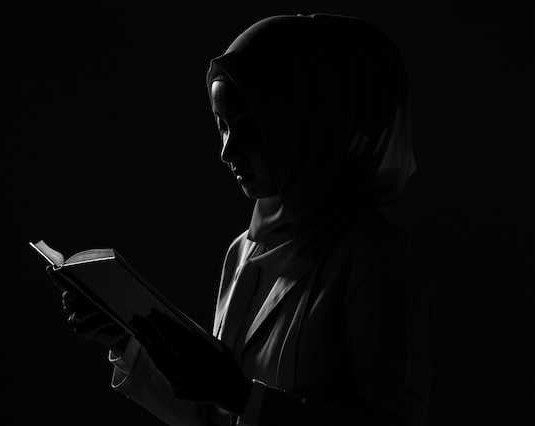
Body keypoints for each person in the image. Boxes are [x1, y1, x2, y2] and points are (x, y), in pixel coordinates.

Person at [49, 13, 433, 426]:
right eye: (222, 126)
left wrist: (240, 395)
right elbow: (213, 415)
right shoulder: (244, 250)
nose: (227, 152)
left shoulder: (376, 256)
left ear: (307, 125)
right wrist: (124, 338)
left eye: (249, 127)